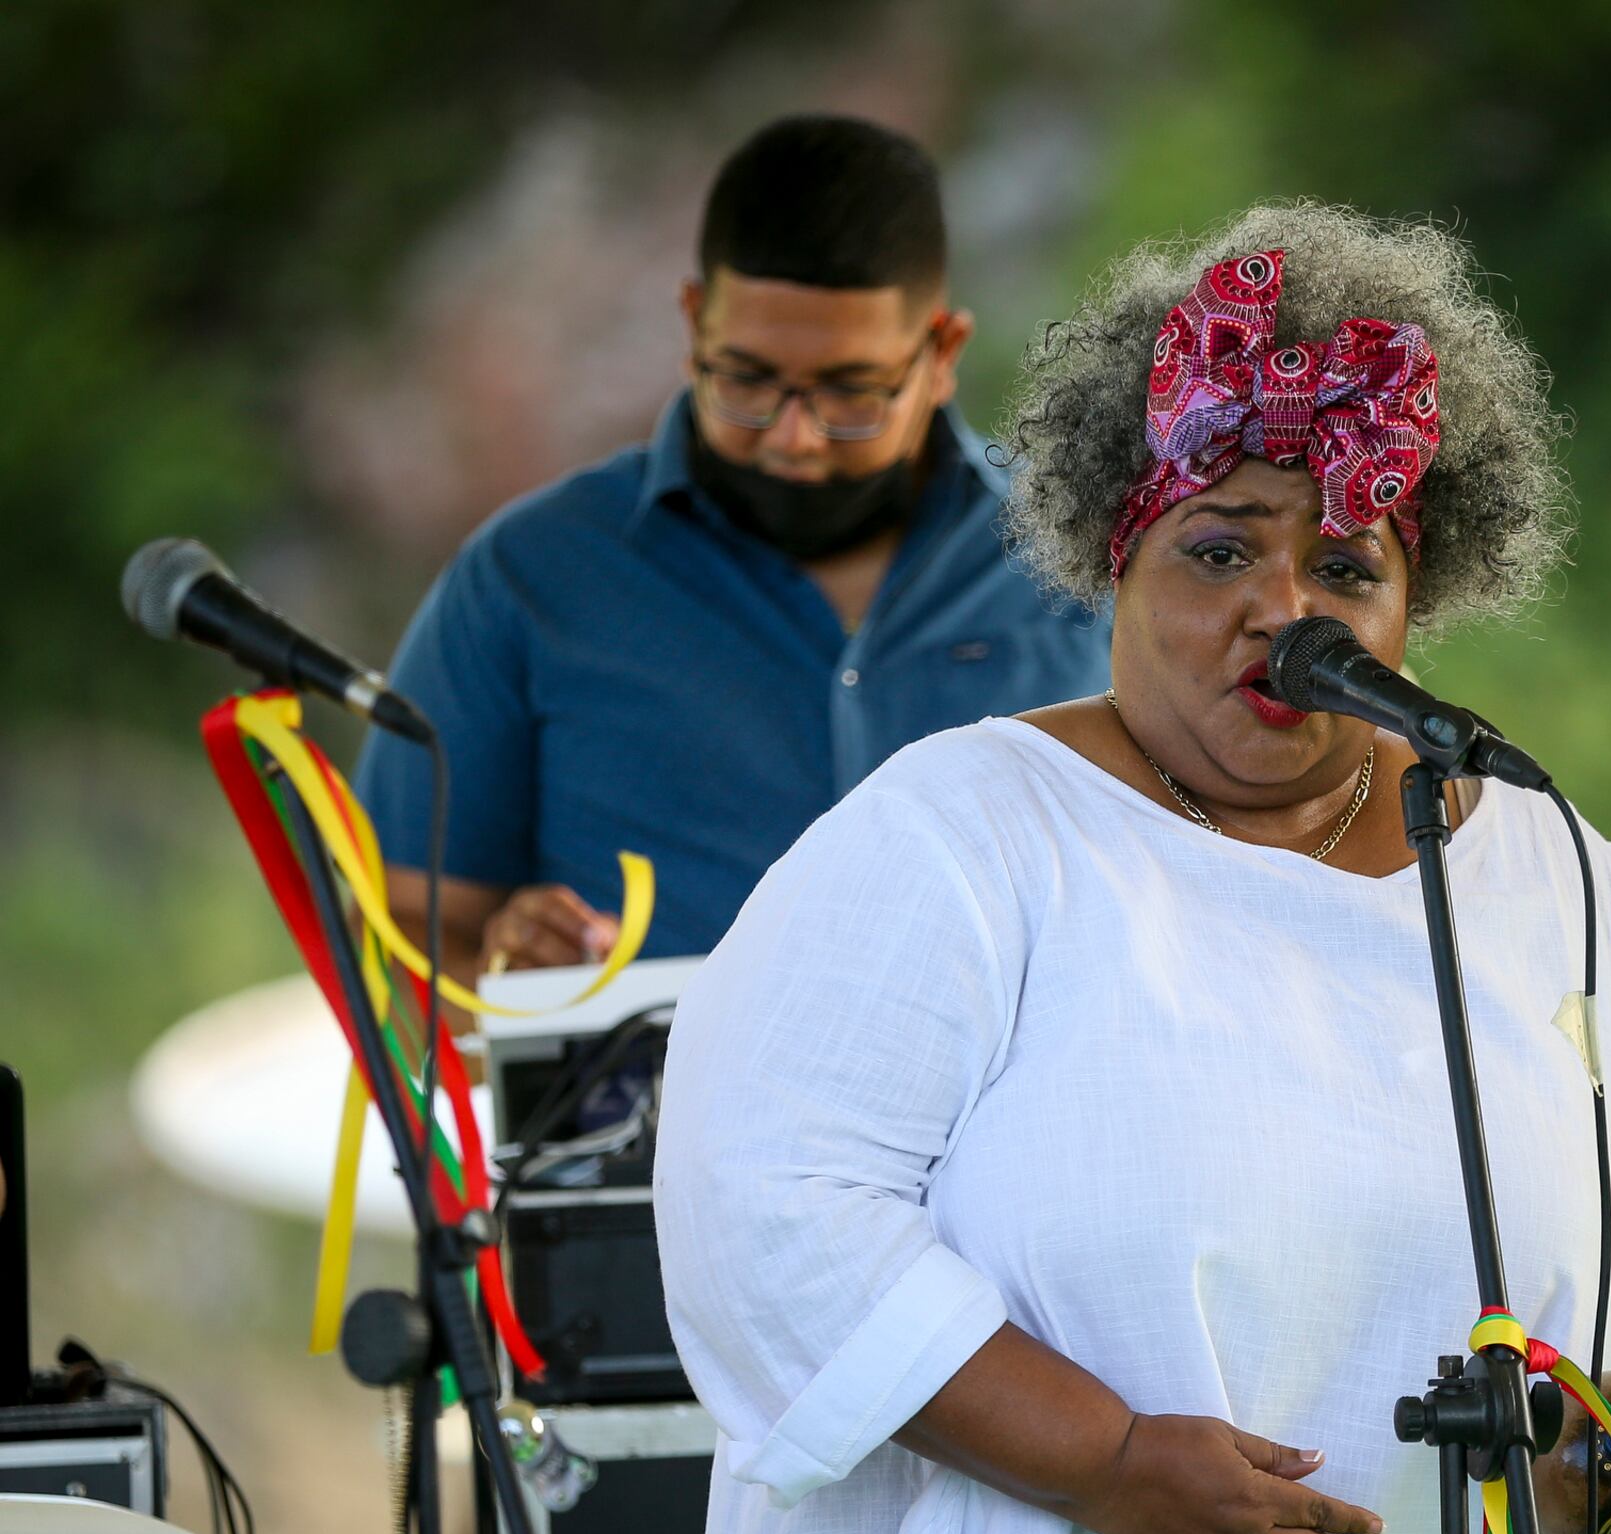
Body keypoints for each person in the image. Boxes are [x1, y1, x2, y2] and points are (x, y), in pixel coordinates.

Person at [653, 203, 1611, 1534]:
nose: (1283, 605)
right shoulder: (963, 837)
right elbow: (768, 1206)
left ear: (1417, 603)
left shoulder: (1538, 863)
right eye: (1217, 548)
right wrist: (1109, 1458)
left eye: (1345, 563)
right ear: (1110, 554)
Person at [354, 115, 1110, 972]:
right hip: (650, 1109)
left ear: (942, 352)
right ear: (692, 324)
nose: (794, 439)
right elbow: (397, 926)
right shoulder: (530, 581)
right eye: (747, 382)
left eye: (850, 393)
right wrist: (505, 979)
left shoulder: (1082, 560)